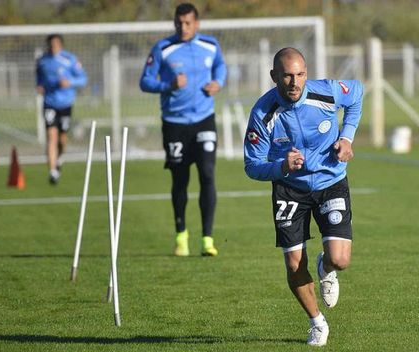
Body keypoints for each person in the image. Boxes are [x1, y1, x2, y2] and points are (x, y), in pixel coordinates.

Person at [243, 48, 363, 347]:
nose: (294, 82)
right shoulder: (262, 113)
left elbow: (357, 93)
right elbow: (252, 166)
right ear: (274, 77)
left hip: (330, 181)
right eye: (287, 75)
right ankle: (317, 322)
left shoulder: (325, 92)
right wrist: (281, 166)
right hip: (289, 188)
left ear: (306, 73)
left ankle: (326, 269)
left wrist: (346, 137)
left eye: (300, 74)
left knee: (340, 259)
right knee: (295, 263)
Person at [140, 2, 227, 257]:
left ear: (197, 23)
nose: (183, 27)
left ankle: (207, 239)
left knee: (208, 173)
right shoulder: (163, 48)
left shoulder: (210, 45)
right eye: (179, 23)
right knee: (180, 180)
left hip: (204, 119)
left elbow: (221, 65)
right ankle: (181, 236)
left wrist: (218, 82)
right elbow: (145, 81)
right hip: (175, 123)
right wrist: (168, 84)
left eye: (188, 23)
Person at [36, 33, 88, 185]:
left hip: (65, 104)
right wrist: (39, 86)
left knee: (62, 138)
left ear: (60, 45)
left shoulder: (70, 59)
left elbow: (83, 79)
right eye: (50, 45)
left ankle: (59, 158)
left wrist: (70, 82)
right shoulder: (42, 61)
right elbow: (39, 77)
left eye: (55, 45)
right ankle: (53, 171)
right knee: (51, 136)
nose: (52, 48)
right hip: (49, 103)